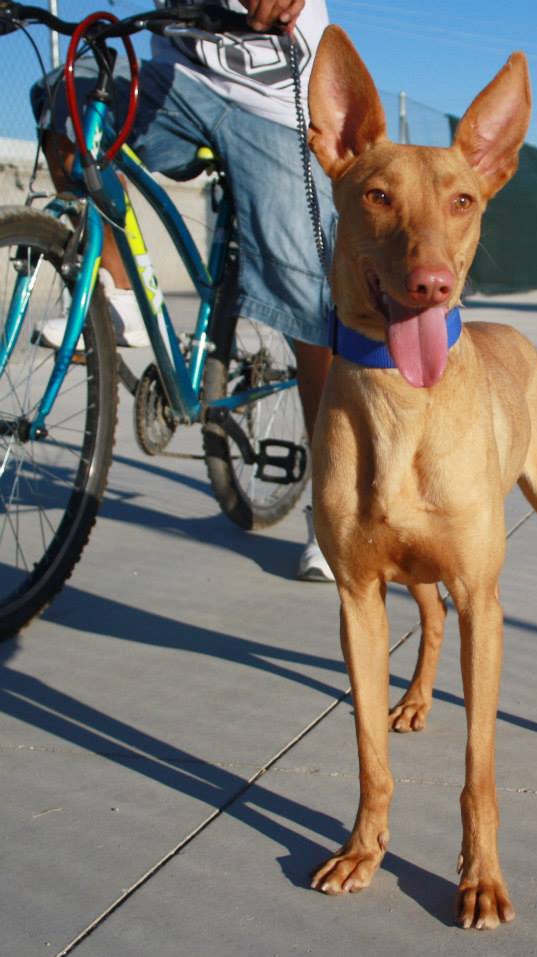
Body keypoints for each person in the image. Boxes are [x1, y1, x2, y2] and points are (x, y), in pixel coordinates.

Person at [34, 0, 336, 581]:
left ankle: (330, 505)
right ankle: (116, 292)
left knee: (312, 309)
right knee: (64, 97)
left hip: (276, 106)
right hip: (178, 84)